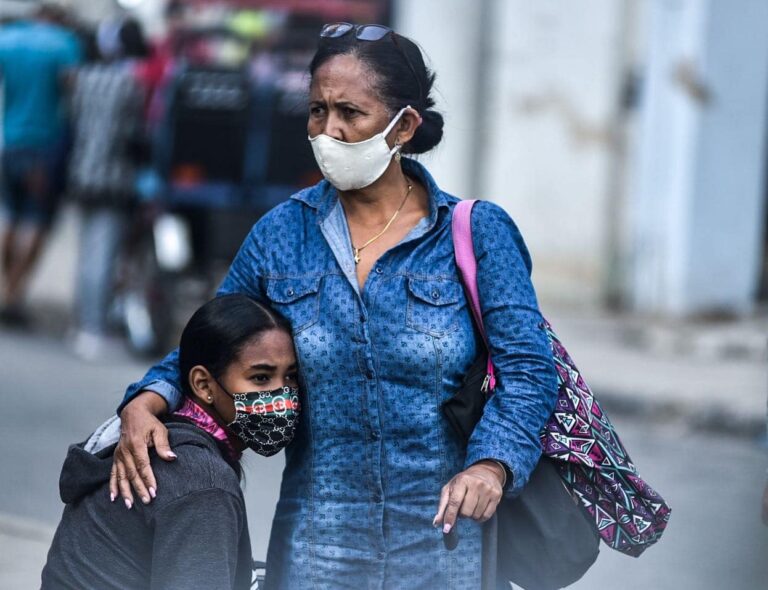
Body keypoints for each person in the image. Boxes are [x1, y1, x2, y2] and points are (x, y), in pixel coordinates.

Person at [113, 22, 559, 589]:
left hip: (447, 542)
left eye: (351, 112)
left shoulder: (475, 233)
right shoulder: (283, 233)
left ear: (405, 126)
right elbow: (212, 342)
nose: (329, 131)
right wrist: (145, 401)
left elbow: (528, 368)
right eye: (318, 111)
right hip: (316, 547)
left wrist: (493, 465)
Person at [41, 294, 300, 589]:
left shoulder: (177, 436)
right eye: (261, 378)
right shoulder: (203, 480)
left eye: (290, 376)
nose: (282, 396)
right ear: (203, 385)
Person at [67, 17, 149, 359]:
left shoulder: (84, 78)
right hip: (114, 179)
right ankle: (92, 329)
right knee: (102, 256)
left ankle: (80, 323)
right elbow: (134, 135)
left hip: (81, 172)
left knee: (85, 253)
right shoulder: (132, 83)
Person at [0, 5, 82, 325]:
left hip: (10, 141)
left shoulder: (8, 38)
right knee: (35, 220)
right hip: (45, 146)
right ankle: (14, 293)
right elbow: (71, 92)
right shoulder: (64, 44)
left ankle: (6, 288)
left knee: (9, 215)